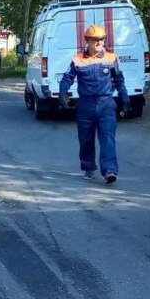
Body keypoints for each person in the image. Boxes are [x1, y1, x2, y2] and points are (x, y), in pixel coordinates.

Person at [59, 24, 131, 184]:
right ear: (88, 41)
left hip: (106, 104)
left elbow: (119, 80)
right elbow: (67, 79)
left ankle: (109, 171)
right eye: (96, 40)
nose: (100, 42)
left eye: (102, 39)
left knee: (108, 138)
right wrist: (63, 92)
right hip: (86, 105)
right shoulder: (77, 60)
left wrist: (125, 99)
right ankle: (88, 167)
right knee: (86, 139)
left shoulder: (111, 58)